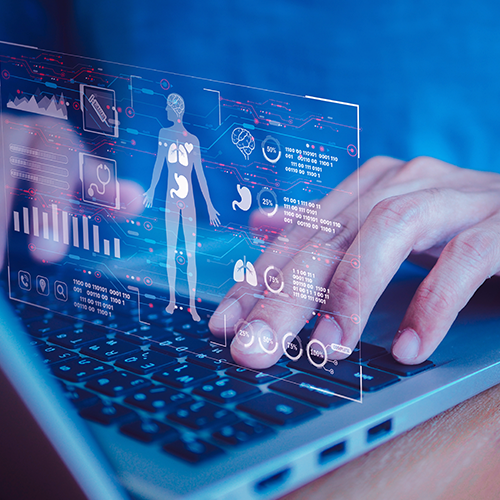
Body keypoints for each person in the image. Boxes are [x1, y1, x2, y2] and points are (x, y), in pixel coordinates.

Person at [143, 93, 220, 322]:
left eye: (168, 107)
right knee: (170, 251)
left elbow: (200, 176)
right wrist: (152, 190)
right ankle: (173, 301)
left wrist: (209, 205)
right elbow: (158, 164)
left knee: (189, 254)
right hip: (169, 201)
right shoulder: (164, 134)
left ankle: (192, 306)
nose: (165, 110)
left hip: (188, 203)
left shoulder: (193, 140)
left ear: (175, 111)